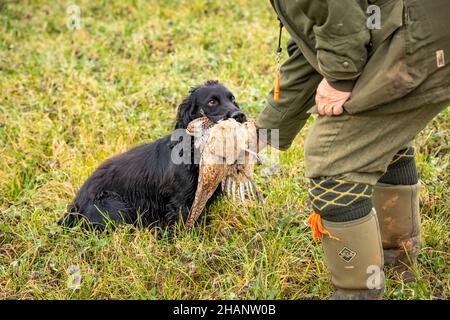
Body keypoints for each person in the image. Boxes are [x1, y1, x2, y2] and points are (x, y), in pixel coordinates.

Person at [256, 0, 450, 299]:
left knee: (334, 157)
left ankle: (358, 292)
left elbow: (339, 15)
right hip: (417, 24)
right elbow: (314, 35)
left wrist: (340, 77)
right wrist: (265, 131)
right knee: (376, 140)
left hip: (426, 33)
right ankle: (397, 258)